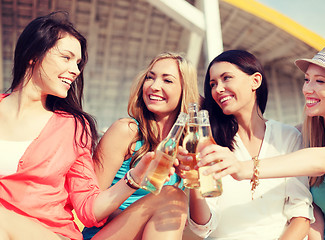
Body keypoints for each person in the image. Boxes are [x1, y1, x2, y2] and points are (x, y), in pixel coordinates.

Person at [0, 12, 187, 240]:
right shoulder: (127, 129)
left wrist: (135, 176)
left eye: (78, 63)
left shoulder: (73, 127)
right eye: (66, 58)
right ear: (33, 56)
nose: (76, 70)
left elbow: (89, 209)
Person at [197, 40, 325, 240]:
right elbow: (314, 213)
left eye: (319, 81)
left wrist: (242, 168)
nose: (307, 89)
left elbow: (322, 161)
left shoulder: (309, 145)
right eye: (306, 80)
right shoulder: (304, 137)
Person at [179, 49, 314, 239]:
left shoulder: (288, 137)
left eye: (227, 78)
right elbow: (203, 226)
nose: (218, 89)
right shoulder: (209, 144)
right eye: (213, 84)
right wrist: (193, 181)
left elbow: (301, 216)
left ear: (255, 81)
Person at [82, 52, 199, 239]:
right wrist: (144, 219)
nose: (154, 86)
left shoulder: (185, 147)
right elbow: (89, 205)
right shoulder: (126, 131)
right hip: (104, 234)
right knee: (173, 197)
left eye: (167, 81)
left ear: (185, 90)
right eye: (150, 78)